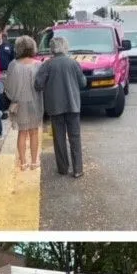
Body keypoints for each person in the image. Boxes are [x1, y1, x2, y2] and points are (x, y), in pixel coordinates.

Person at [34, 36, 87, 178]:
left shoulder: (47, 65)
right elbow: (83, 83)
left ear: (52, 48)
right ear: (65, 47)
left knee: (59, 138)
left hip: (55, 107)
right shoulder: (73, 63)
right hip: (73, 105)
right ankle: (77, 169)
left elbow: (38, 84)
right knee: (75, 137)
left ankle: (63, 168)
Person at [3, 35, 44, 170]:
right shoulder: (38, 65)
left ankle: (23, 162)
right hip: (35, 103)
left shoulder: (13, 65)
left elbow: (8, 88)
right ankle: (34, 162)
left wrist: (13, 97)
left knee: (22, 132)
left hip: (19, 104)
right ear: (33, 47)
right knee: (34, 132)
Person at [0, 29, 15, 120]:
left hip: (9, 73)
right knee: (0, 93)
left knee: (10, 92)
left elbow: (13, 59)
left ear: (1, 34)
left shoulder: (9, 45)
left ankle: (12, 109)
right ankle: (4, 111)